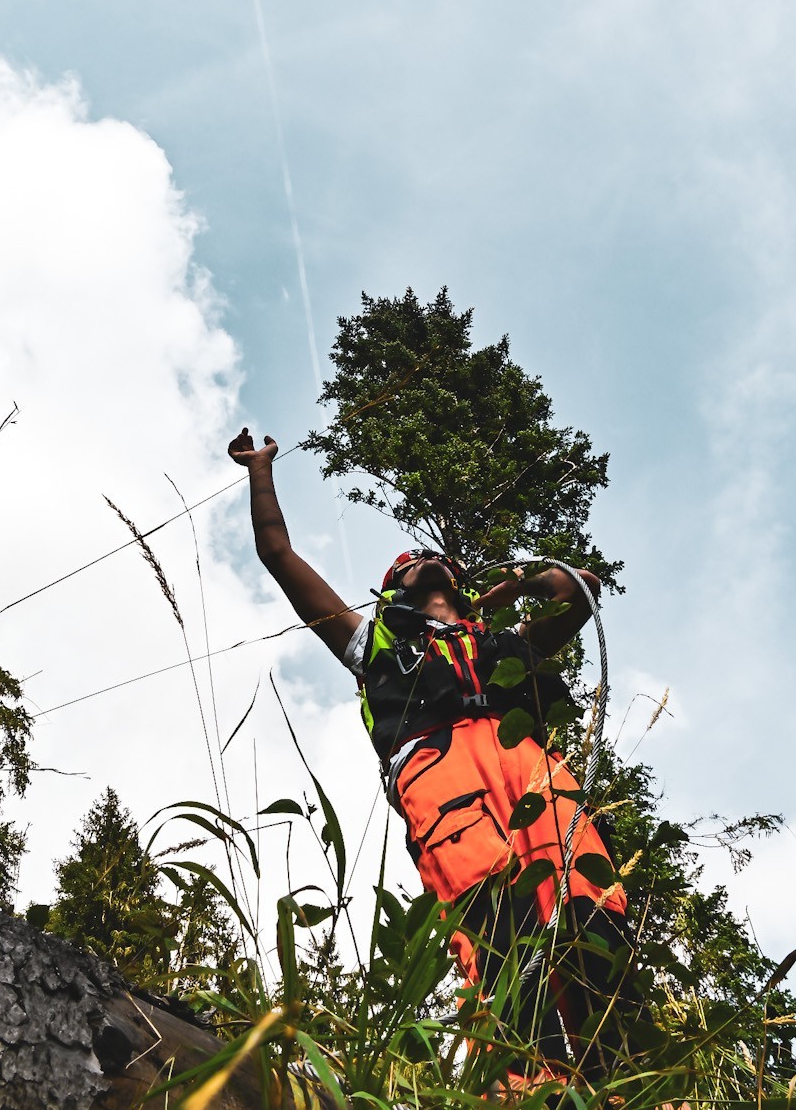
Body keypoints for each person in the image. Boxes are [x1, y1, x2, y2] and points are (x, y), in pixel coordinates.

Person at [228, 427, 631, 1072]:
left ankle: (624, 1090)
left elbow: (575, 593)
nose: (426, 558)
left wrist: (514, 586)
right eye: (410, 559)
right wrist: (260, 470)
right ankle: (528, 1084)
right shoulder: (372, 643)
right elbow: (277, 551)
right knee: (496, 915)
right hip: (440, 770)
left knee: (588, 903)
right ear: (393, 587)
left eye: (435, 557)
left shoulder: (502, 644)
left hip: (528, 762)